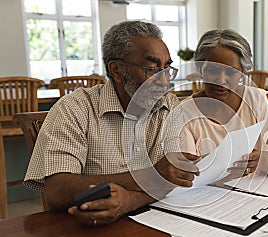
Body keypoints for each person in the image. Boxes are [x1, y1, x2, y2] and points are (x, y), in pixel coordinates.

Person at [24, 20, 198, 226]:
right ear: (116, 70)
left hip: (152, 222)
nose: (164, 81)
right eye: (152, 68)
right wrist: (150, 176)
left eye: (167, 68)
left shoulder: (169, 105)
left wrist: (131, 200)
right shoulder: (75, 108)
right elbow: (56, 192)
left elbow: (172, 181)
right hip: (84, 233)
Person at [181, 29, 268, 177]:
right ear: (199, 69)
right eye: (212, 71)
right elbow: (188, 171)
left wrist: (266, 160)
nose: (221, 80)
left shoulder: (260, 100)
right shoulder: (184, 113)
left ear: (242, 72)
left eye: (231, 72)